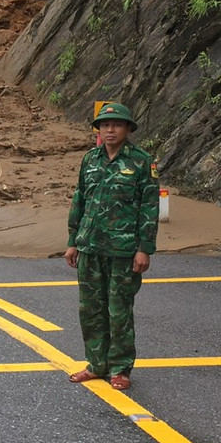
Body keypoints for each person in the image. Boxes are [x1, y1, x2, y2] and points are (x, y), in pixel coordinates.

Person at [64, 102, 159, 391]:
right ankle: (96, 364)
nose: (110, 129)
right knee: (90, 309)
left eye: (116, 125)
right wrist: (72, 241)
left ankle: (120, 368)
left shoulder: (142, 162)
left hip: (123, 250)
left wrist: (145, 248)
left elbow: (149, 207)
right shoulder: (90, 159)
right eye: (105, 125)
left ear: (128, 129)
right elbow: (80, 200)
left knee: (119, 311)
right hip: (90, 247)